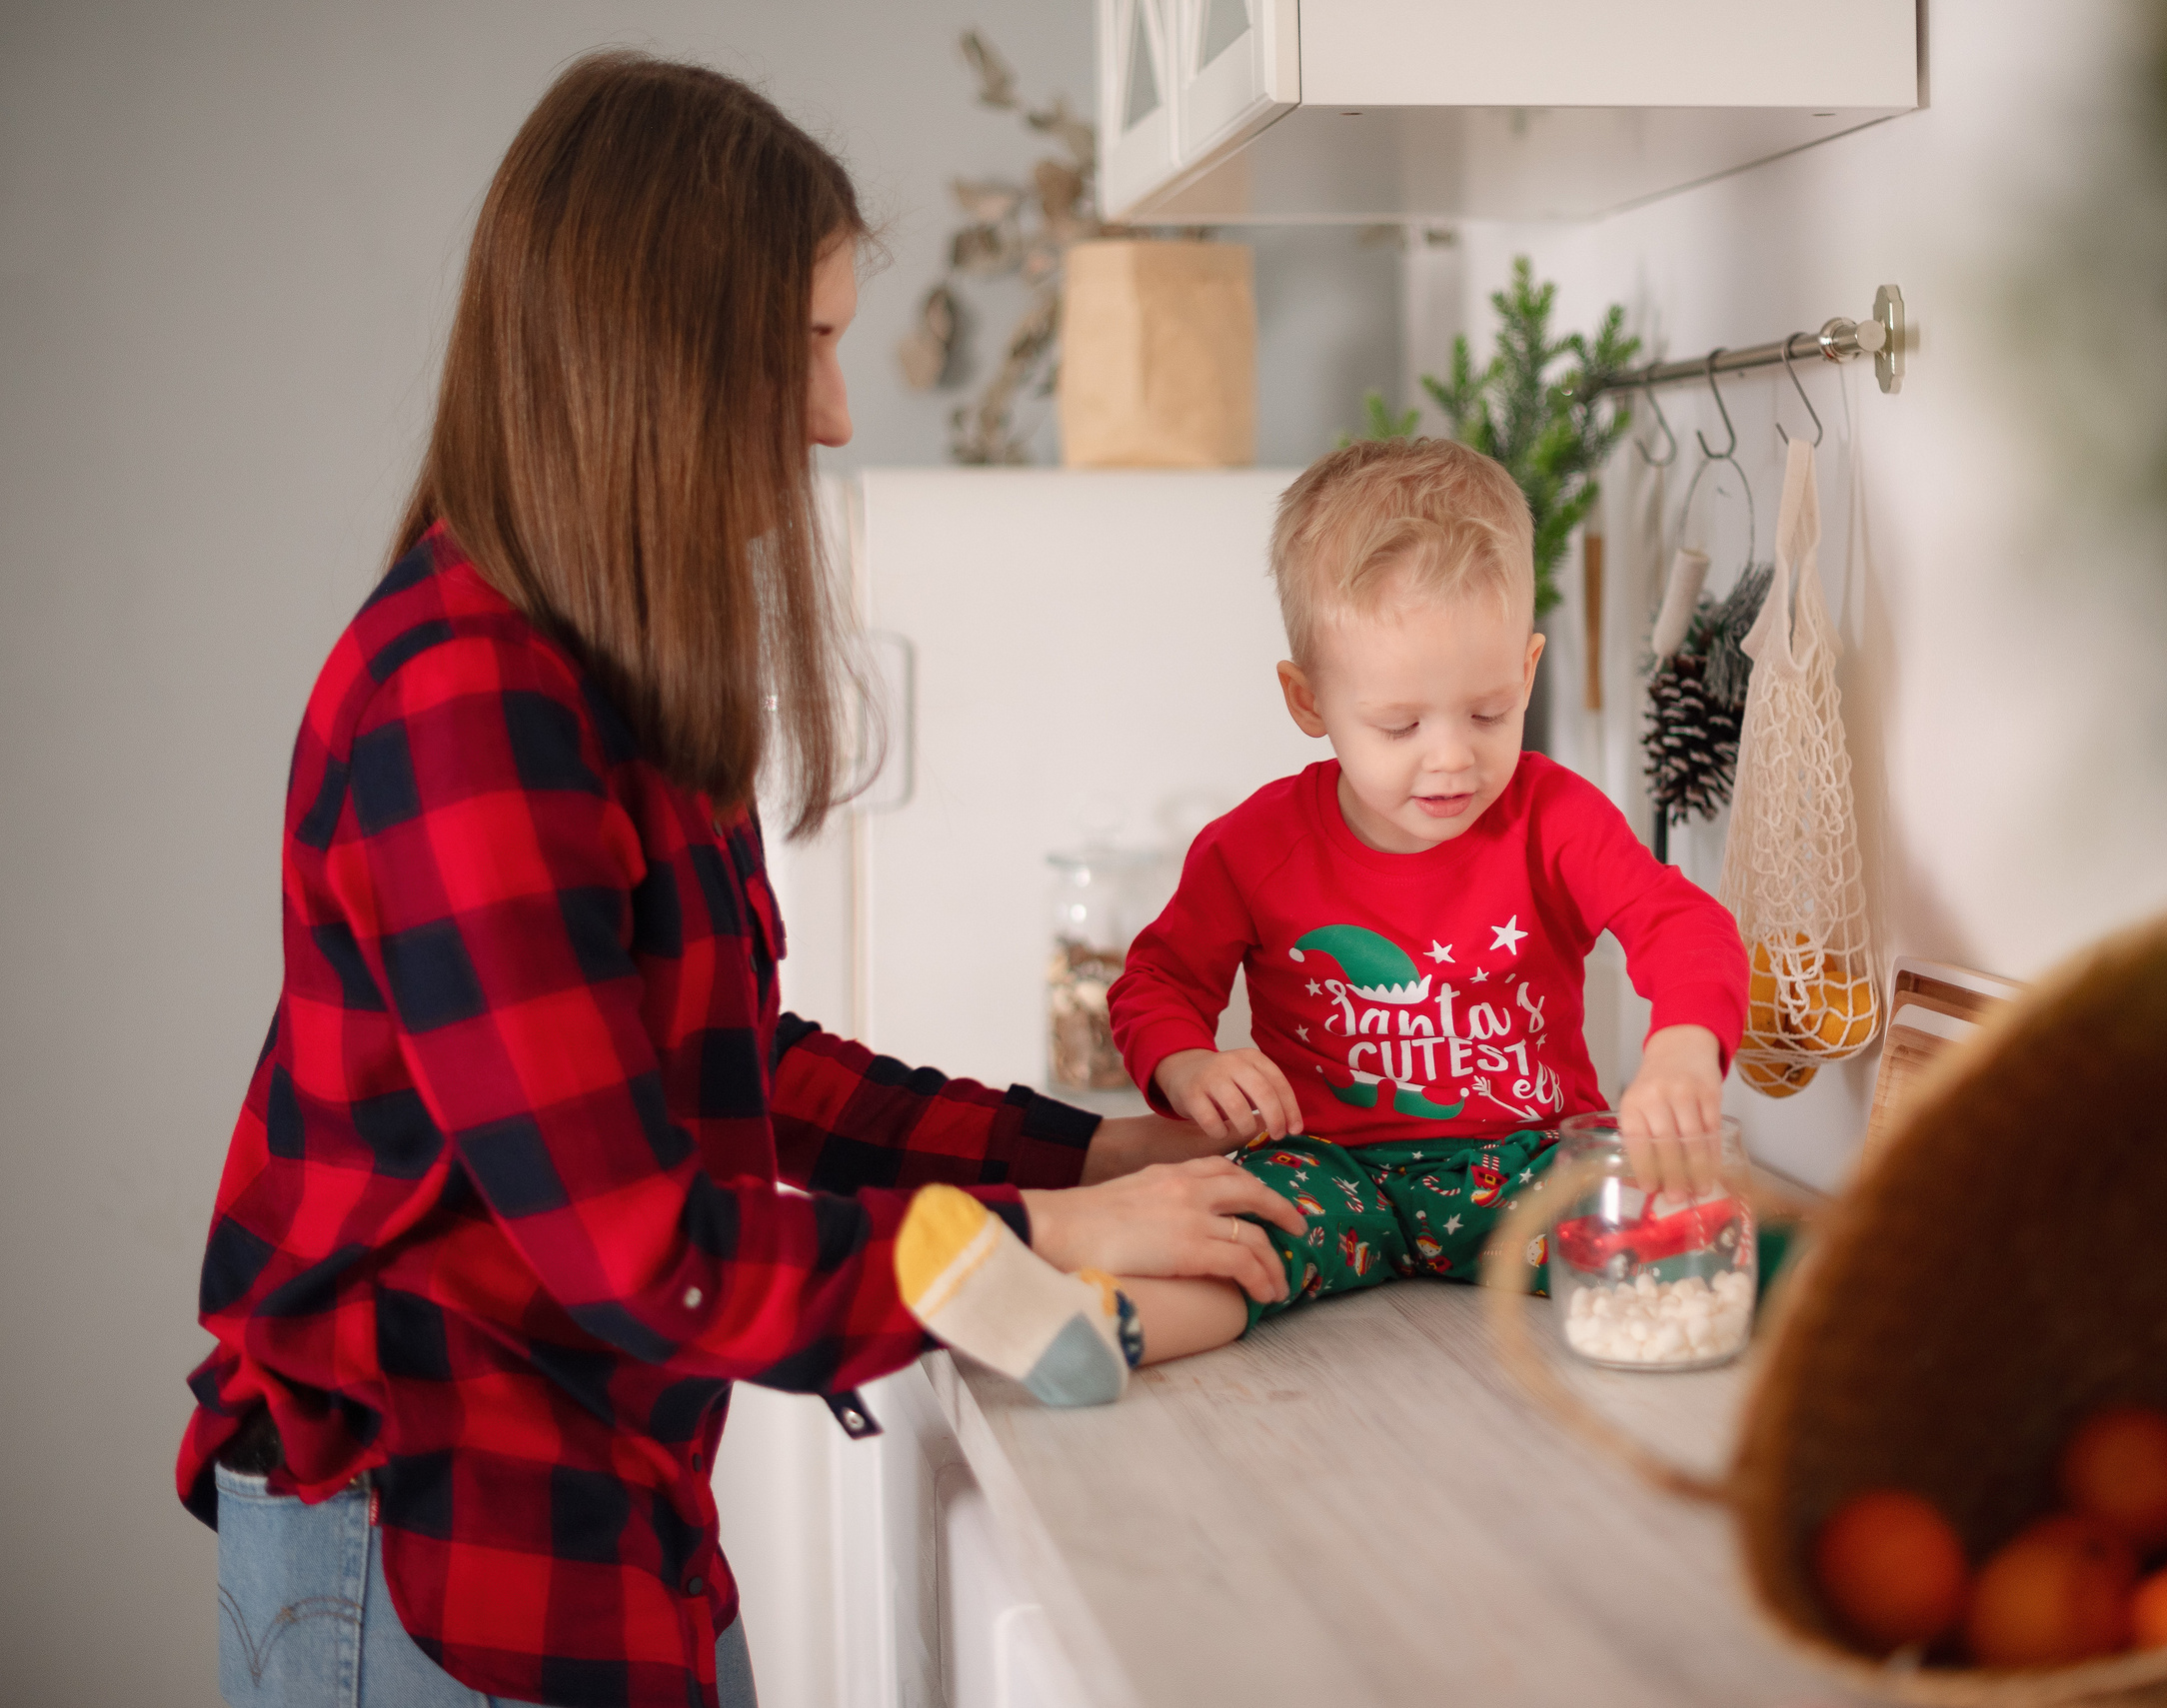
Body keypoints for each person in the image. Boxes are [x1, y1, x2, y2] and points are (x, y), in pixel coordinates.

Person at [175, 53, 1301, 1708]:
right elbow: (639, 1247)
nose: (835, 416)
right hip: (433, 1534)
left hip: (602, 1500)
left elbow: (737, 1070)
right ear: (660, 355)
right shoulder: (463, 699)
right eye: (806, 347)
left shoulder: (606, 673)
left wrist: (1092, 1146)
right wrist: (1050, 1232)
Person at [1108, 437, 1750, 1359]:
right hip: (1321, 1166)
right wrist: (1189, 1067)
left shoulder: (1555, 818)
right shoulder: (1254, 847)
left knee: (1705, 1234)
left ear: (1527, 671)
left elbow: (1680, 923)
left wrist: (1684, 1045)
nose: (1451, 756)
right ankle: (1097, 1326)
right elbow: (1156, 982)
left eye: (1488, 712)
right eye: (1400, 724)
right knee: (1223, 1242)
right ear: (1308, 700)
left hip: (1527, 1162)